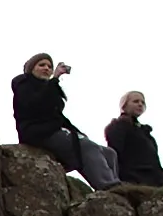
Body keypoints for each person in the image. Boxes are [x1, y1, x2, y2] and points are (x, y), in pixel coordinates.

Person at [12, 53, 117, 189]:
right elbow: (35, 105)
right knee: (85, 146)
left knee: (109, 153)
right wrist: (54, 79)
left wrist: (77, 133)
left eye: (49, 66)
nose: (47, 68)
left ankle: (117, 187)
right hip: (38, 133)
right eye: (41, 65)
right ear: (31, 68)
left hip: (54, 130)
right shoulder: (23, 84)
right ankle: (106, 186)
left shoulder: (49, 87)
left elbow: (58, 116)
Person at [107, 88, 163, 187]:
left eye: (143, 102)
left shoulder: (145, 132)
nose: (140, 104)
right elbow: (114, 154)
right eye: (135, 101)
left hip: (154, 179)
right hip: (133, 178)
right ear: (124, 105)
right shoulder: (118, 126)